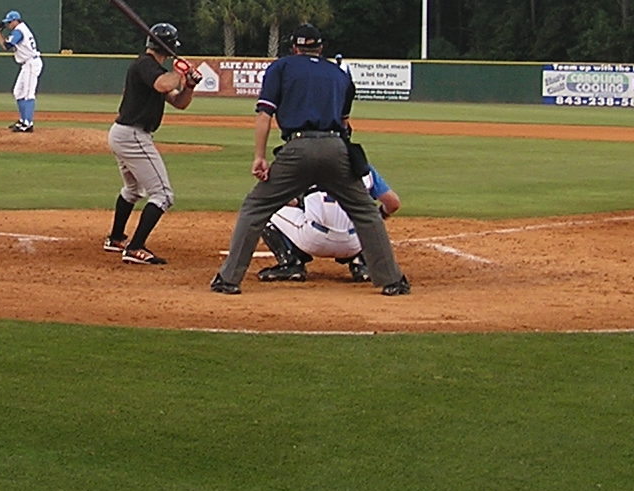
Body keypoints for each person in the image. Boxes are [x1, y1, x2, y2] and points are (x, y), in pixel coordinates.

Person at [209, 22, 409, 296]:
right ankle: (393, 280)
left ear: (294, 47)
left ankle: (228, 279)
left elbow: (264, 115)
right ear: (321, 47)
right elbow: (345, 124)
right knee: (365, 213)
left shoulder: (281, 67)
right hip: (336, 147)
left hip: (298, 147)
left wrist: (259, 157)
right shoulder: (340, 75)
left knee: (255, 207)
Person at [105, 21, 199, 265]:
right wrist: (180, 71)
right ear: (167, 48)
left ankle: (115, 238)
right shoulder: (146, 65)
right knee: (163, 195)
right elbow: (163, 84)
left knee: (134, 190)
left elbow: (179, 102)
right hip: (132, 135)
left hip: (123, 134)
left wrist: (189, 85)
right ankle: (135, 247)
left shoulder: (151, 68)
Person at [259, 164, 402, 283]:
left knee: (265, 208)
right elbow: (393, 204)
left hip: (312, 241)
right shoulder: (363, 167)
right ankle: (361, 263)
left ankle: (291, 264)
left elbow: (286, 199)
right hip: (354, 244)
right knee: (366, 219)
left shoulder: (305, 164)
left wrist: (300, 204)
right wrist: (377, 218)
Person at [0, 10, 42, 132]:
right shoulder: (21, 29)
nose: (8, 25)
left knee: (28, 94)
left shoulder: (19, 31)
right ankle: (23, 120)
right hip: (27, 64)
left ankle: (28, 124)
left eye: (10, 22)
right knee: (18, 92)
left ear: (16, 21)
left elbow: (6, 46)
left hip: (31, 63)